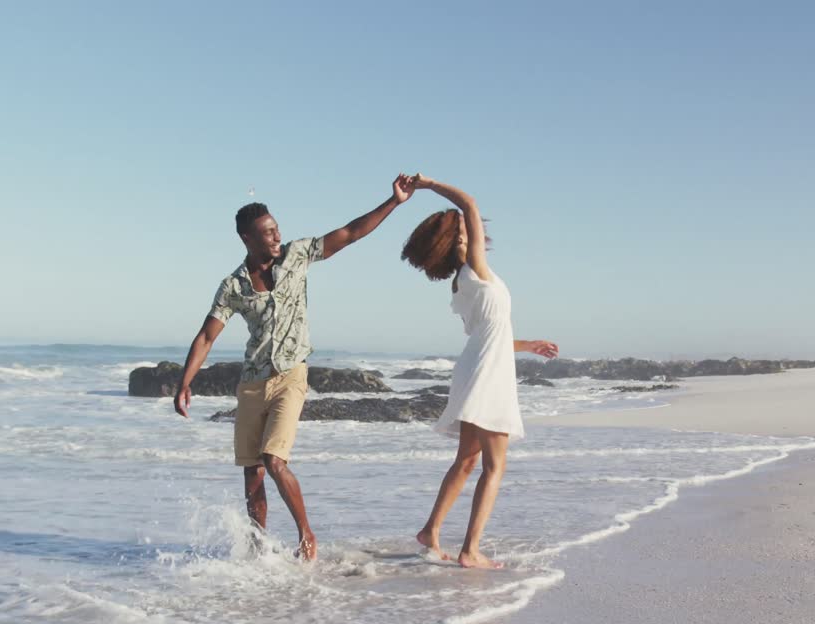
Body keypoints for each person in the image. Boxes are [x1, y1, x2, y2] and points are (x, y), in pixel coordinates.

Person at [174, 174, 418, 561]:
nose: (276, 237)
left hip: (292, 376)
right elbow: (206, 336)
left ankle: (306, 536)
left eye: (276, 230)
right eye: (267, 233)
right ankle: (257, 547)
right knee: (252, 472)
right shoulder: (233, 286)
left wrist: (394, 202)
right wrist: (184, 382)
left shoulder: (297, 255)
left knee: (274, 461)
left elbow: (351, 232)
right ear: (247, 239)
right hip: (252, 384)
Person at [402, 174, 558, 568]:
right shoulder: (474, 270)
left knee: (468, 460)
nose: (467, 233)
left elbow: (489, 335)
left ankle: (430, 531)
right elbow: (470, 202)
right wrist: (428, 183)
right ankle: (470, 550)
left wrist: (527, 345)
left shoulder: (464, 282)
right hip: (487, 373)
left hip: (480, 365)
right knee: (493, 465)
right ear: (453, 242)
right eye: (460, 232)